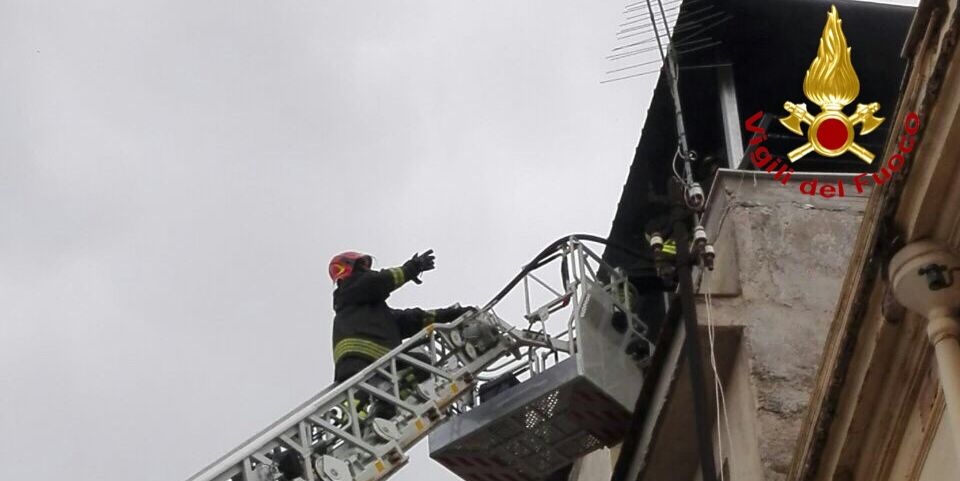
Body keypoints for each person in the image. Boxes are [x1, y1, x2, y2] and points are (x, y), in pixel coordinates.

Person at [328, 249, 473, 384]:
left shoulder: (371, 314)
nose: (368, 271)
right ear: (353, 267)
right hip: (363, 363)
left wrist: (450, 314)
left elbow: (410, 319)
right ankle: (389, 399)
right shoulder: (350, 289)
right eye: (363, 267)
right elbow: (379, 281)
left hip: (368, 366)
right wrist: (412, 268)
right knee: (419, 365)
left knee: (421, 364)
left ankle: (387, 406)